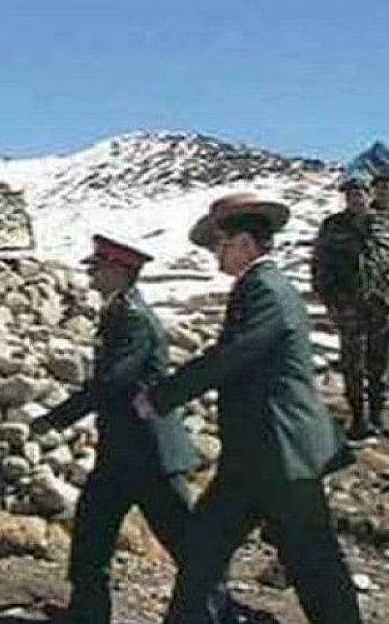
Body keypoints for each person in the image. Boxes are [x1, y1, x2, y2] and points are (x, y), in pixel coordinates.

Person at [135, 192, 362, 624]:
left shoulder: (267, 290)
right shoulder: (257, 288)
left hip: (281, 452)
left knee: (313, 562)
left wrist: (160, 397)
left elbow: (232, 355)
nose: (214, 257)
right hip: (255, 454)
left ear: (242, 243)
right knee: (203, 545)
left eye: (217, 246)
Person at [31, 235, 230, 624]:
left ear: (120, 272)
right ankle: (88, 612)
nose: (92, 275)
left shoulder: (133, 318)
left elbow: (113, 382)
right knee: (91, 531)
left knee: (186, 541)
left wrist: (55, 418)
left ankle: (214, 613)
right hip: (123, 450)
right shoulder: (120, 311)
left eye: (99, 268)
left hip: (148, 452)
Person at [311, 174, 389, 440]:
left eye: (360, 193)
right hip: (348, 307)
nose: (355, 198)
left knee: (379, 362)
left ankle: (378, 416)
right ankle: (358, 418)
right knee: (352, 364)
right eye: (350, 194)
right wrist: (331, 301)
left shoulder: (383, 224)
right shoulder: (333, 225)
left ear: (370, 194)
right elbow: (320, 266)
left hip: (381, 305)